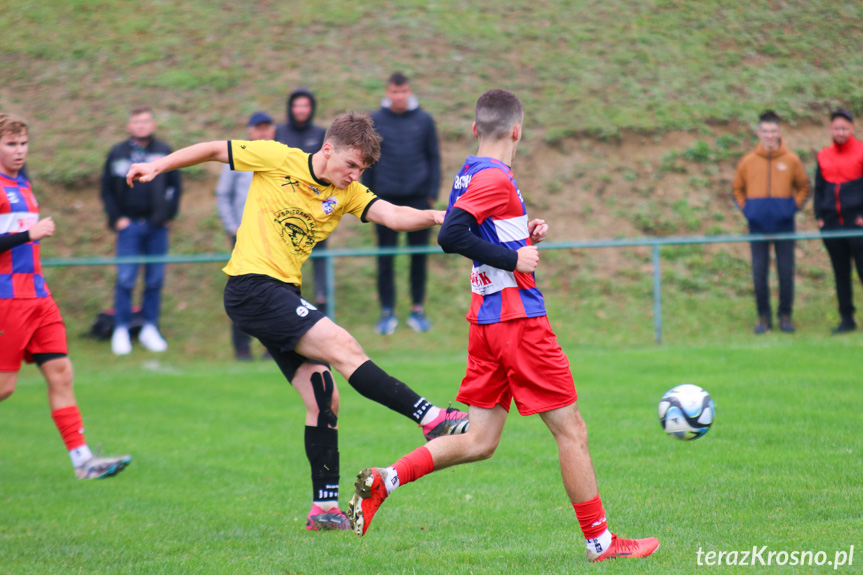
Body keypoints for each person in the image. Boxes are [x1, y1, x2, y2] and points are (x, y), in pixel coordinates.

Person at [347, 90, 659, 563]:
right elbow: (452, 235)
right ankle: (601, 543)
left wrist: (522, 233)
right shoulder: (495, 176)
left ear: (476, 129)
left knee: (479, 440)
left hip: (486, 323)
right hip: (518, 321)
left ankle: (385, 480)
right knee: (571, 431)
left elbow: (475, 229)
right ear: (517, 131)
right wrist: (515, 257)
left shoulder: (470, 172)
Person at [125, 111, 469, 531]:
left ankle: (323, 509)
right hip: (252, 286)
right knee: (345, 348)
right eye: (351, 165)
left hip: (282, 295)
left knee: (323, 394)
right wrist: (158, 165)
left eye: (361, 169)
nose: (354, 175)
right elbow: (215, 149)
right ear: (328, 149)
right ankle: (431, 418)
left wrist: (436, 216)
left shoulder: (347, 193)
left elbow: (394, 216)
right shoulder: (276, 158)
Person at [0, 112, 132, 479]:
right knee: (4, 388)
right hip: (6, 298)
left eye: (23, 143)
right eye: (10, 144)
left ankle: (83, 462)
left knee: (61, 373)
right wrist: (30, 235)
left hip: (39, 296)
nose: (19, 150)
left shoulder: (23, 183)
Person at [363, 72, 441, 334]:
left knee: (418, 258)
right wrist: (370, 198)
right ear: (388, 92)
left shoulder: (424, 120)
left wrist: (431, 193)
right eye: (395, 92)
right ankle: (387, 312)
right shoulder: (376, 121)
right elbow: (368, 160)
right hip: (385, 201)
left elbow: (434, 158)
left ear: (409, 92)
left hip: (418, 199)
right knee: (385, 259)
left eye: (404, 91)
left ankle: (418, 309)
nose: (399, 96)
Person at [101, 106, 182, 355]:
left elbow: (176, 186)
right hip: (129, 226)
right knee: (125, 279)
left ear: (153, 124)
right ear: (129, 126)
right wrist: (117, 219)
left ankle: (149, 327)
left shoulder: (163, 151)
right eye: (137, 121)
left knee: (155, 280)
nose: (142, 125)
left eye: (146, 121)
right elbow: (107, 189)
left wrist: (168, 215)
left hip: (157, 227)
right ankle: (122, 329)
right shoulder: (118, 153)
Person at [732, 110, 810, 334]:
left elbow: (804, 187)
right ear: (758, 132)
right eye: (765, 131)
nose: (769, 135)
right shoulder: (747, 161)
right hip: (757, 227)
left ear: (780, 132)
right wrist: (748, 211)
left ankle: (785, 316)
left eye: (773, 131)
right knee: (759, 273)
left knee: (786, 272)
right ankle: (763, 317)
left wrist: (791, 208)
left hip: (785, 226)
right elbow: (737, 189)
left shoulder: (791, 160)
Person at [216, 111, 276, 360]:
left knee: (275, 291)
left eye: (266, 127)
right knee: (242, 292)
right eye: (258, 128)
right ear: (250, 131)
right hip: (242, 236)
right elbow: (223, 195)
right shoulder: (238, 156)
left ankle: (272, 348)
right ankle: (242, 348)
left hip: (273, 237)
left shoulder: (282, 158)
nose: (262, 132)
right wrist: (232, 226)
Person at [276, 88, 330, 315]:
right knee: (284, 260)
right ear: (290, 108)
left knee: (319, 256)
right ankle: (285, 300)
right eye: (297, 105)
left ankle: (322, 299)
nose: (301, 110)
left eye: (305, 105)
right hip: (285, 209)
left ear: (311, 108)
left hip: (314, 209)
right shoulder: (279, 132)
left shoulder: (320, 134)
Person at [814, 108, 863, 334]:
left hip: (857, 225)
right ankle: (847, 319)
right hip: (832, 226)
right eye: (836, 128)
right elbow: (820, 190)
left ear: (852, 128)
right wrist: (819, 218)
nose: (840, 132)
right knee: (840, 273)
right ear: (830, 130)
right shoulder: (823, 155)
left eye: (844, 128)